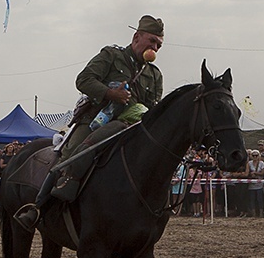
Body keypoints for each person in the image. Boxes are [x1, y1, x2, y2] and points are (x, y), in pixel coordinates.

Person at [16, 15, 165, 230]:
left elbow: (153, 108)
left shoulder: (154, 74)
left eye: (159, 45)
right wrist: (110, 93)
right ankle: (39, 207)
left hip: (132, 128)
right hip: (97, 120)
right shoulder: (112, 56)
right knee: (70, 155)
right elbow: (83, 79)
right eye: (151, 41)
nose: (155, 47)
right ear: (136, 37)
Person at [246, 150, 264, 217]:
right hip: (251, 184)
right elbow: (247, 173)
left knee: (260, 199)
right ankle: (253, 213)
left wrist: (255, 173)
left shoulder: (262, 163)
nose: (255, 157)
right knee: (252, 199)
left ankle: (261, 213)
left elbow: (262, 173)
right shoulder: (249, 163)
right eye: (253, 155)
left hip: (260, 184)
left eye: (256, 155)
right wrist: (251, 175)